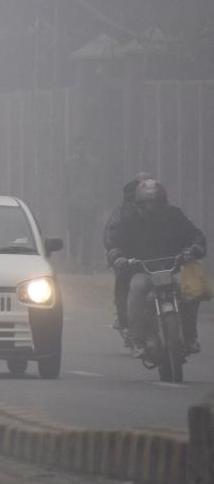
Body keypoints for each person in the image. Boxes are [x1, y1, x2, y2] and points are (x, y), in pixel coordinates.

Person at [107, 179, 206, 356]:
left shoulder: (174, 216)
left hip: (173, 269)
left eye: (156, 203)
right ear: (138, 204)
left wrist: (196, 247)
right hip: (142, 271)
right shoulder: (129, 220)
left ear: (163, 202)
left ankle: (190, 337)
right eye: (147, 204)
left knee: (191, 291)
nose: (152, 208)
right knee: (136, 288)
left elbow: (195, 234)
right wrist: (118, 257)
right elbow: (116, 243)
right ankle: (136, 340)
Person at [103, 171, 153, 339]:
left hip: (160, 263)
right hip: (132, 262)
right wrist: (116, 254)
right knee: (124, 285)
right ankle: (126, 323)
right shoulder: (124, 213)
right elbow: (111, 235)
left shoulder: (168, 213)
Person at [62, 139, 102, 272]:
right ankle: (74, 261)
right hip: (74, 203)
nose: (81, 148)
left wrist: (96, 200)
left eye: (83, 145)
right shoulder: (68, 163)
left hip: (89, 204)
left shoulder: (94, 164)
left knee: (88, 234)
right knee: (74, 232)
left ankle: (85, 263)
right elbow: (65, 183)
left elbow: (97, 184)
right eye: (78, 145)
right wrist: (67, 198)